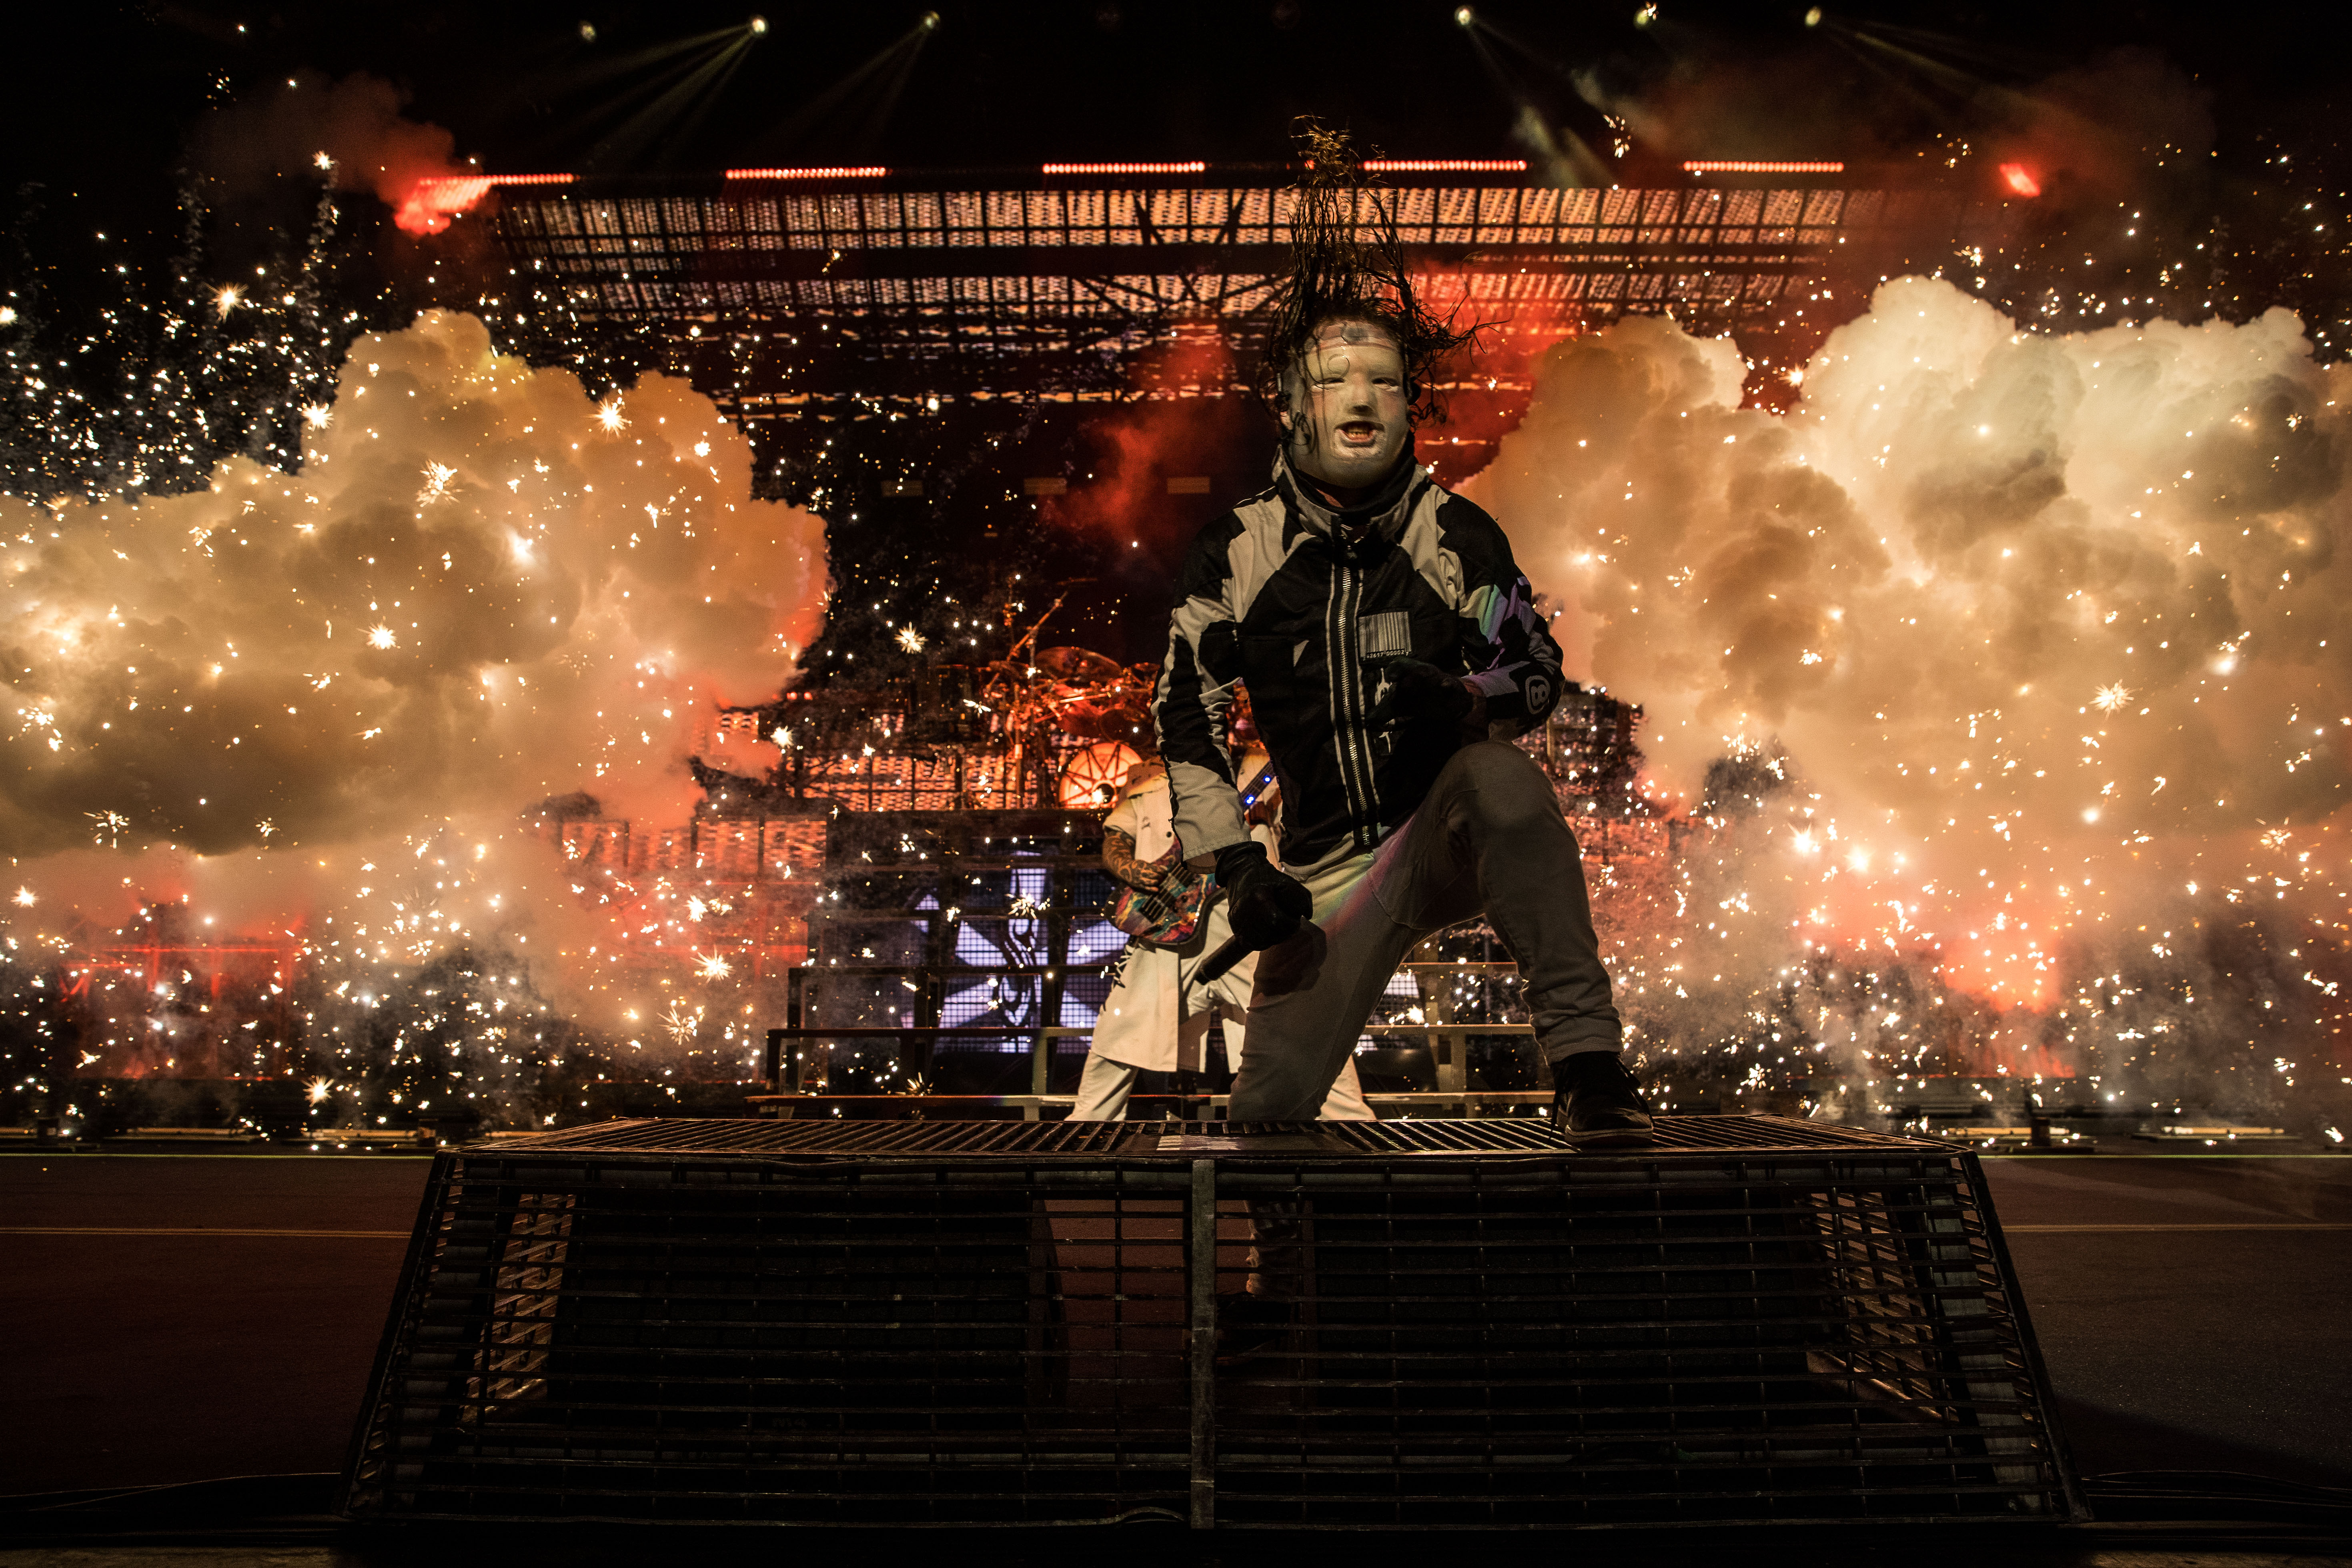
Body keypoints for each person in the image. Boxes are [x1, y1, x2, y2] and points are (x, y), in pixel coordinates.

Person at [1150, 130, 1650, 1152]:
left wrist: (1470, 701)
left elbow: (1536, 673)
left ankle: (1590, 1070)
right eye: (1334, 379)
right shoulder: (1232, 550)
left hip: (1440, 829)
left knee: (1498, 777)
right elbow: (1184, 714)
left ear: (1408, 401)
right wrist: (1238, 868)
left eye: (1382, 380)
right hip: (1324, 870)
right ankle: (1285, 1256)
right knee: (1263, 1125)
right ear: (1288, 405)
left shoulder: (1457, 534)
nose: (1361, 397)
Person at [1075, 759, 1373, 1121]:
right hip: (1166, 927)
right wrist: (1132, 868)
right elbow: (1116, 837)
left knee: (1300, 1023)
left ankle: (1353, 1124)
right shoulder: (1145, 775)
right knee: (1119, 1032)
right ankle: (1084, 1129)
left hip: (1249, 923)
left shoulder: (1260, 764)